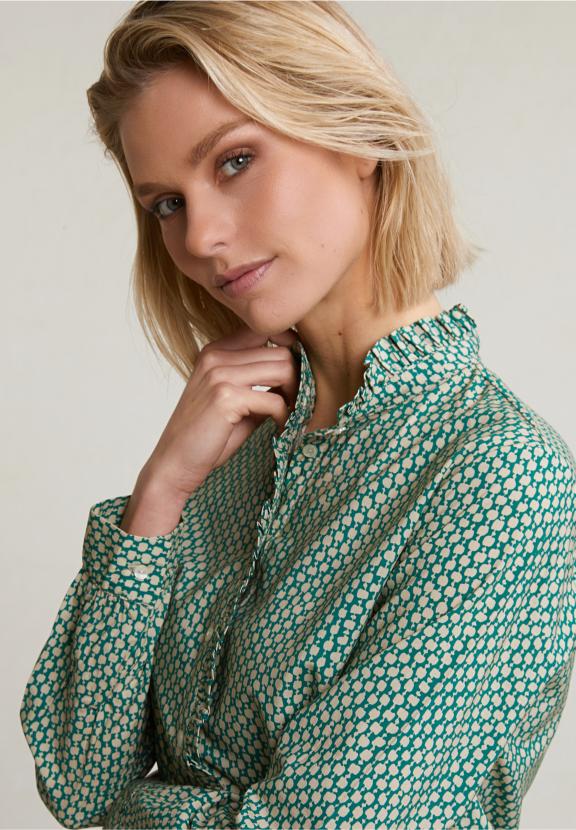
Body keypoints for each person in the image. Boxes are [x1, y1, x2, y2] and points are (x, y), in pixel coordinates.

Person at [19, 2, 576, 828]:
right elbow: (77, 783)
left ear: (355, 135)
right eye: (166, 204)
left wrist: (139, 812)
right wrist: (159, 496)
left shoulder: (500, 475)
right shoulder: (229, 455)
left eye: (235, 161)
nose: (201, 236)